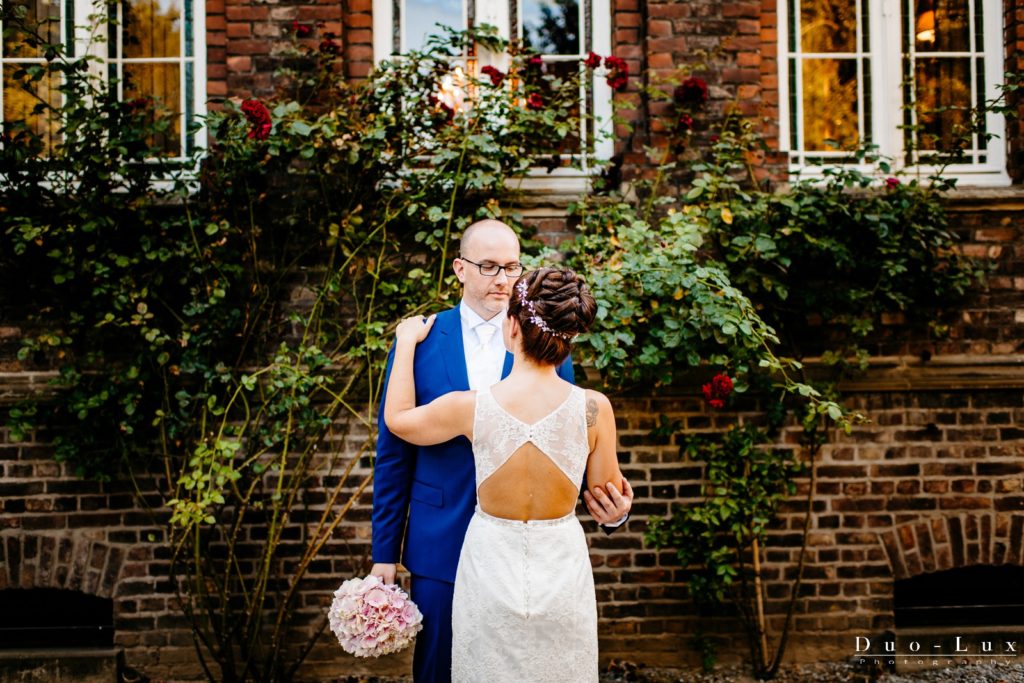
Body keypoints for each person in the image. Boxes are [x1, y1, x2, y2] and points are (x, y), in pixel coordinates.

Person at [370, 219, 632, 682]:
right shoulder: (421, 342)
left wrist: (615, 512)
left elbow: (569, 448)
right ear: (460, 269)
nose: (501, 278)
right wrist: (384, 554)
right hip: (442, 547)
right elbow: (393, 454)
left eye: (511, 266)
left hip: (541, 555)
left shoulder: (549, 342)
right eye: (488, 266)